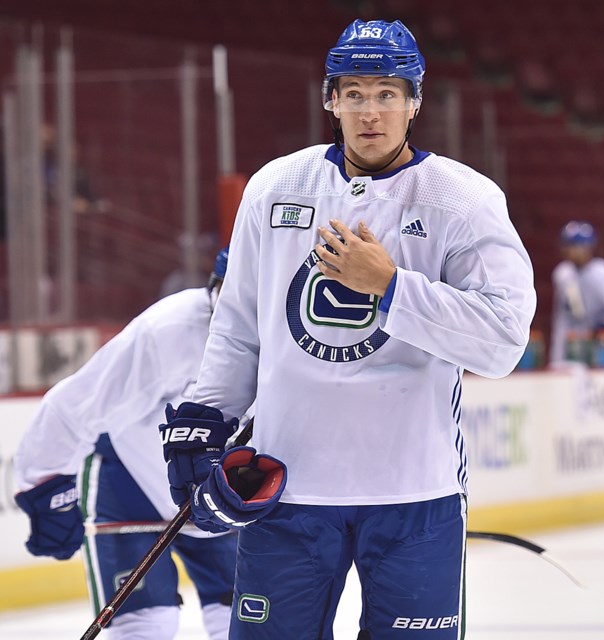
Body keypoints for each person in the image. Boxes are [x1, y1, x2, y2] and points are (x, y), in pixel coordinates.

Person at [157, 19, 535, 640]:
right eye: (354, 93)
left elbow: (502, 342)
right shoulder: (276, 187)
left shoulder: (462, 200)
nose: (370, 112)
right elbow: (239, 327)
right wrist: (208, 414)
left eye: (387, 93)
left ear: (415, 101)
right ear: (330, 99)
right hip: (286, 487)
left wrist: (390, 287)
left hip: (415, 491)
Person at [13, 247, 237, 639]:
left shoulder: (290, 339)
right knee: (145, 628)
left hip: (225, 495)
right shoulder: (168, 331)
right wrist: (43, 485)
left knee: (244, 627)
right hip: (132, 481)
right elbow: (78, 404)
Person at [550, 220, 604, 366]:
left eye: (577, 246)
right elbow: (561, 320)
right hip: (573, 348)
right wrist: (556, 359)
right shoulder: (563, 274)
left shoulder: (603, 273)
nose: (572, 251)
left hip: (601, 348)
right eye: (569, 246)